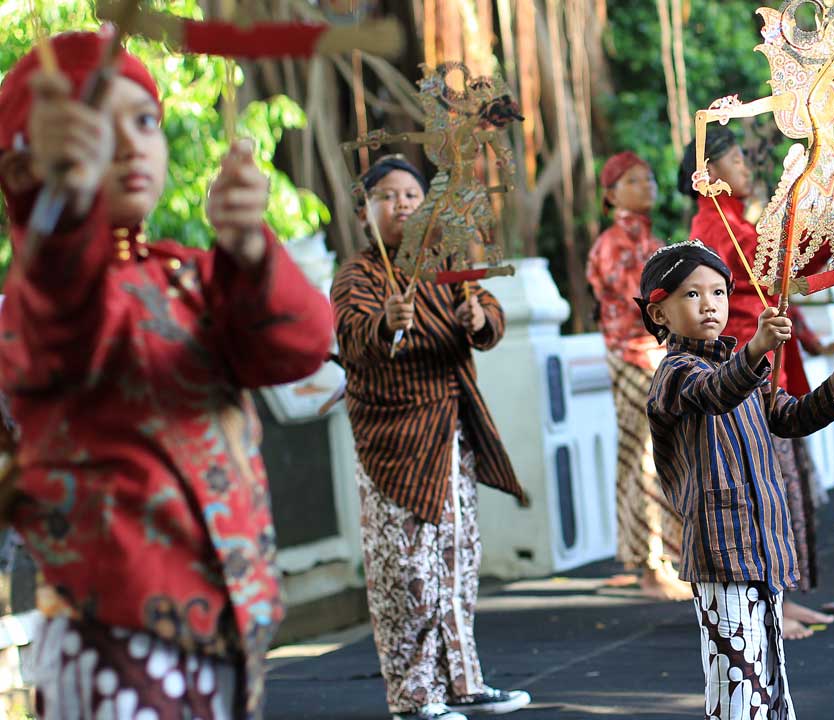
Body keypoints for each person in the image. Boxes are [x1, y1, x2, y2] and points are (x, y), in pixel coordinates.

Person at [0, 31, 334, 717]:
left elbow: (301, 347)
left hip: (230, 620)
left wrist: (249, 250)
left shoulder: (196, 276)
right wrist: (56, 201)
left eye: (145, 121)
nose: (129, 144)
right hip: (114, 627)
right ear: (26, 167)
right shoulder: (40, 295)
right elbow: (66, 318)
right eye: (96, 126)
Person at [639, 240, 834, 720]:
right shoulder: (675, 373)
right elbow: (714, 393)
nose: (710, 305)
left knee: (770, 679)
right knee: (736, 683)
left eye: (719, 293)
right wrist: (754, 353)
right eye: (691, 295)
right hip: (720, 549)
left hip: (762, 540)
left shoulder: (741, 366)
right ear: (659, 313)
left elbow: (789, 417)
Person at [331, 155, 531, 720]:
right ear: (365, 210)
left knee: (458, 560)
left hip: (450, 433)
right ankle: (415, 697)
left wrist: (478, 319)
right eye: (388, 197)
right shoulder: (358, 275)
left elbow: (487, 309)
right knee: (408, 571)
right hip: (395, 439)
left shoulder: (442, 263)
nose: (402, 206)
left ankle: (463, 683)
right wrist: (388, 321)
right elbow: (354, 334)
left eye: (412, 197)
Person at [681, 127, 834, 639]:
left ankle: (782, 601)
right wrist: (821, 213)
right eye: (736, 158)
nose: (745, 166)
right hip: (746, 376)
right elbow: (781, 263)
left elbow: (783, 265)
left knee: (780, 489)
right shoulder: (720, 229)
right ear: (710, 175)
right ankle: (771, 605)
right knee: (763, 493)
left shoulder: (730, 224)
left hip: (765, 371)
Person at [586, 151, 689, 601]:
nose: (646, 184)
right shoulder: (611, 243)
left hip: (658, 359)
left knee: (655, 455)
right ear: (610, 195)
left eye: (648, 178)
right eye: (633, 180)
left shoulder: (653, 241)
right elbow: (644, 299)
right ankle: (651, 567)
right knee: (645, 456)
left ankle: (662, 557)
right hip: (632, 357)